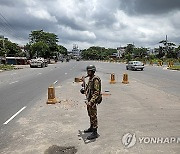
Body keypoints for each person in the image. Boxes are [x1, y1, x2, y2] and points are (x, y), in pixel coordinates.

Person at [80, 65, 101, 140]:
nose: (87, 73)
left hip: (93, 101)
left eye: (88, 71)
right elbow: (89, 89)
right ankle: (91, 128)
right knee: (90, 114)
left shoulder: (95, 79)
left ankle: (95, 132)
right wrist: (84, 90)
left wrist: (91, 101)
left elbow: (96, 92)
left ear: (92, 71)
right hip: (89, 100)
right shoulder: (90, 79)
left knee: (93, 116)